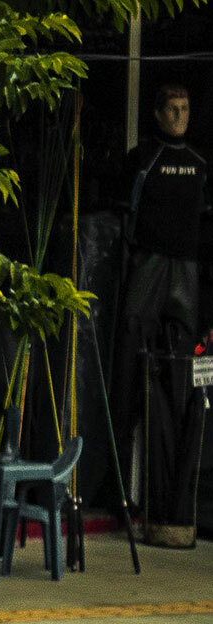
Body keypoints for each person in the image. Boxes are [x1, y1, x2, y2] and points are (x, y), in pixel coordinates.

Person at [114, 83, 207, 548]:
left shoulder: (200, 164)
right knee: (131, 372)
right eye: (171, 108)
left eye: (185, 108)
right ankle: (118, 493)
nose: (179, 115)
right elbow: (123, 217)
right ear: (155, 113)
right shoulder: (142, 158)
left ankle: (171, 499)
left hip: (185, 269)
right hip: (147, 265)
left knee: (183, 380)